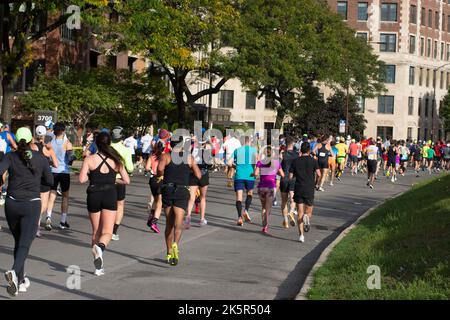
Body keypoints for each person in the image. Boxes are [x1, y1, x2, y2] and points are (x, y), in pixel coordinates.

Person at [0, 127, 53, 296]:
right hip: (31, 204)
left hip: (12, 204)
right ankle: (15, 272)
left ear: (15, 139)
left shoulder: (10, 156)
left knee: (18, 241)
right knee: (24, 243)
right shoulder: (41, 158)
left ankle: (21, 281)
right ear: (32, 140)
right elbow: (50, 180)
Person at [79, 132, 130, 276]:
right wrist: (113, 180)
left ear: (96, 143)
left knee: (96, 231)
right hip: (110, 194)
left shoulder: (90, 159)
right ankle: (100, 250)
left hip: (94, 194)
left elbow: (82, 179)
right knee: (107, 232)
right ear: (109, 143)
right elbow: (127, 180)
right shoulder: (116, 160)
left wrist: (94, 176)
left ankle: (97, 265)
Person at [157, 135, 201, 266]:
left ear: (170, 144)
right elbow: (198, 175)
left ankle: (169, 251)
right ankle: (176, 244)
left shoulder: (166, 156)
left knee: (169, 224)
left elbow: (159, 170)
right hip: (182, 191)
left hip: (168, 190)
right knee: (178, 223)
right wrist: (186, 174)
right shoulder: (189, 157)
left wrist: (162, 175)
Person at [289, 142, 321, 243]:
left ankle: (301, 235)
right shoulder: (313, 161)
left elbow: (290, 177)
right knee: (309, 212)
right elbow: (319, 174)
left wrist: (295, 176)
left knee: (299, 213)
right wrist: (316, 183)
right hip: (309, 189)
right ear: (309, 151)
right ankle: (307, 217)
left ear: (300, 150)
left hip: (298, 188)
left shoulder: (295, 161)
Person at [30, 125, 59, 237]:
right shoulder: (48, 149)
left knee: (32, 200)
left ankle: (32, 222)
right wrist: (49, 162)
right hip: (45, 177)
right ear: (45, 135)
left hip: (33, 176)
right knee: (43, 203)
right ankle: (36, 226)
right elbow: (56, 164)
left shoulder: (32, 147)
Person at [45, 123, 74, 230]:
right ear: (63, 131)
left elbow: (47, 158)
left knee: (52, 195)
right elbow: (71, 160)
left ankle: (48, 217)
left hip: (53, 171)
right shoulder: (67, 143)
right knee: (65, 196)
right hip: (64, 171)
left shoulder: (49, 143)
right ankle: (62, 221)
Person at [110, 127, 134, 241]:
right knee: (119, 206)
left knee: (107, 205)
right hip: (119, 180)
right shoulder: (125, 150)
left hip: (105, 179)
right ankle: (113, 232)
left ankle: (104, 229)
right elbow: (130, 168)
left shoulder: (105, 148)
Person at [254, 146, 284, 234]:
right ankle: (265, 225)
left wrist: (253, 174)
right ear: (273, 154)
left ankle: (264, 223)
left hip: (261, 187)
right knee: (268, 208)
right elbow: (282, 175)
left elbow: (255, 174)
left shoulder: (260, 162)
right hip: (271, 187)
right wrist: (275, 172)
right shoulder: (276, 163)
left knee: (263, 207)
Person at [232, 136, 258, 226]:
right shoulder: (253, 150)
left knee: (239, 198)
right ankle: (246, 210)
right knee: (249, 193)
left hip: (239, 176)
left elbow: (229, 162)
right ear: (249, 141)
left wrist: (236, 167)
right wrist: (256, 171)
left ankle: (239, 218)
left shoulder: (237, 150)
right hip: (250, 176)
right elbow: (258, 161)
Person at [185, 139, 210, 228]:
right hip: (203, 174)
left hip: (193, 174)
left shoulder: (191, 150)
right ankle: (202, 219)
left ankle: (188, 218)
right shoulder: (206, 150)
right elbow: (209, 163)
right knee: (202, 197)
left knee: (191, 198)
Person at [146, 140, 165, 233]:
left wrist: (151, 171)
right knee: (160, 202)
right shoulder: (164, 156)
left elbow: (147, 168)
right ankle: (154, 222)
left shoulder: (152, 156)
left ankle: (151, 216)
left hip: (152, 180)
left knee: (156, 199)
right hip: (160, 179)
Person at [280, 136, 298, 229]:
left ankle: (286, 221)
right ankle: (291, 211)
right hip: (293, 178)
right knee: (293, 198)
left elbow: (278, 167)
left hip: (284, 178)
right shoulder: (297, 154)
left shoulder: (282, 154)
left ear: (285, 144)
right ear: (293, 143)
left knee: (283, 201)